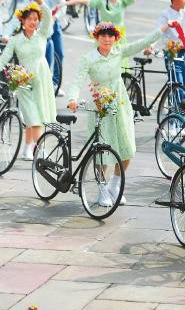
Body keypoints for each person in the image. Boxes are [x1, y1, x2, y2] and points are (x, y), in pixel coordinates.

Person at [68, 21, 173, 207]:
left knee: (126, 148)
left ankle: (115, 185)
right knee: (101, 152)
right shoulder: (88, 58)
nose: (107, 39)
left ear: (115, 38)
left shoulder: (119, 52)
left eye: (110, 36)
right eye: (103, 35)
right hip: (100, 106)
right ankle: (102, 188)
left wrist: (165, 27)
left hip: (121, 105)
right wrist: (72, 99)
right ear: (97, 37)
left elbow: (143, 42)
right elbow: (76, 81)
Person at [0, 1, 56, 160]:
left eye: (36, 19)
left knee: (36, 115)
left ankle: (27, 148)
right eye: (29, 19)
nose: (33, 22)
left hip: (41, 80)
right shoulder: (15, 40)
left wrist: (43, 4)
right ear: (22, 21)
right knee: (33, 116)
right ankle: (41, 151)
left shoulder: (42, 34)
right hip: (23, 81)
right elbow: (4, 58)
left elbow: (48, 18)